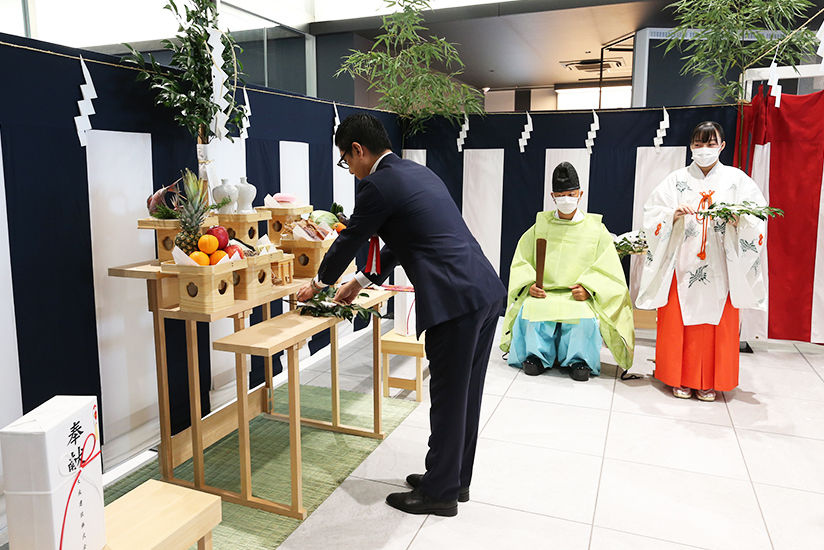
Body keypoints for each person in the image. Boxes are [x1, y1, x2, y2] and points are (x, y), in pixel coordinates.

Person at [296, 114, 506, 517]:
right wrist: (359, 281)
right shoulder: (415, 173)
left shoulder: (376, 184)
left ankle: (439, 495)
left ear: (358, 150)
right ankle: (452, 480)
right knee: (466, 395)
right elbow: (400, 243)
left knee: (447, 398)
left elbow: (350, 237)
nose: (350, 171)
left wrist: (320, 283)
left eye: (346, 160)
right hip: (483, 292)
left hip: (455, 301)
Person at [637, 121, 767, 401]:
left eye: (710, 144)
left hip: (721, 263)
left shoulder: (737, 180)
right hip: (682, 261)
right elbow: (652, 213)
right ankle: (678, 378)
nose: (704, 149)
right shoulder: (676, 180)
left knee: (714, 325)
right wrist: (672, 214)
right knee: (679, 320)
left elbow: (757, 216)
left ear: (722, 146)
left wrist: (738, 219)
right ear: (691, 147)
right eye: (698, 144)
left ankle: (709, 380)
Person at [500, 162, 634, 381]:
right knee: (533, 311)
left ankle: (578, 361)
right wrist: (530, 284)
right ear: (553, 196)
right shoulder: (540, 226)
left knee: (583, 319)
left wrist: (589, 290)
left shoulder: (595, 229)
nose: (566, 199)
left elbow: (608, 269)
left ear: (580, 194)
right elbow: (522, 260)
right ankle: (536, 357)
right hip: (546, 291)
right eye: (561, 195)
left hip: (577, 293)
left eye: (571, 194)